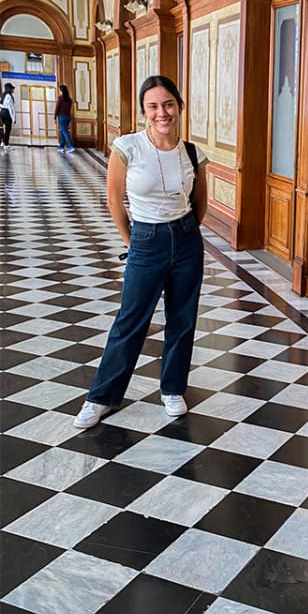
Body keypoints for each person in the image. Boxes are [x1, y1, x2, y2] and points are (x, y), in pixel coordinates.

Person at [74, 75, 208, 429]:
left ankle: (173, 389)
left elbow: (200, 203)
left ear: (179, 106)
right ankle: (101, 397)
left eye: (168, 104)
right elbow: (114, 200)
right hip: (146, 239)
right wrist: (131, 241)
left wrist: (186, 233)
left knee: (183, 318)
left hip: (187, 241)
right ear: (144, 111)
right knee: (131, 320)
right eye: (153, 106)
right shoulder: (128, 147)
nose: (161, 112)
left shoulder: (193, 153)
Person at [54, 84, 75, 152]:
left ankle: (70, 146)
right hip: (68, 117)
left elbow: (57, 108)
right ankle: (61, 146)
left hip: (62, 117)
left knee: (64, 131)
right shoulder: (69, 99)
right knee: (62, 131)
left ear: (61, 91)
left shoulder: (60, 99)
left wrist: (55, 117)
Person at [0, 82, 16, 149]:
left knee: (2, 128)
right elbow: (11, 107)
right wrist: (13, 118)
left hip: (1, 112)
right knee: (8, 129)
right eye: (12, 89)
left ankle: (2, 142)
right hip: (7, 113)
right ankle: (6, 144)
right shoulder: (9, 96)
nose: (13, 90)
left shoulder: (2, 95)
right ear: (9, 89)